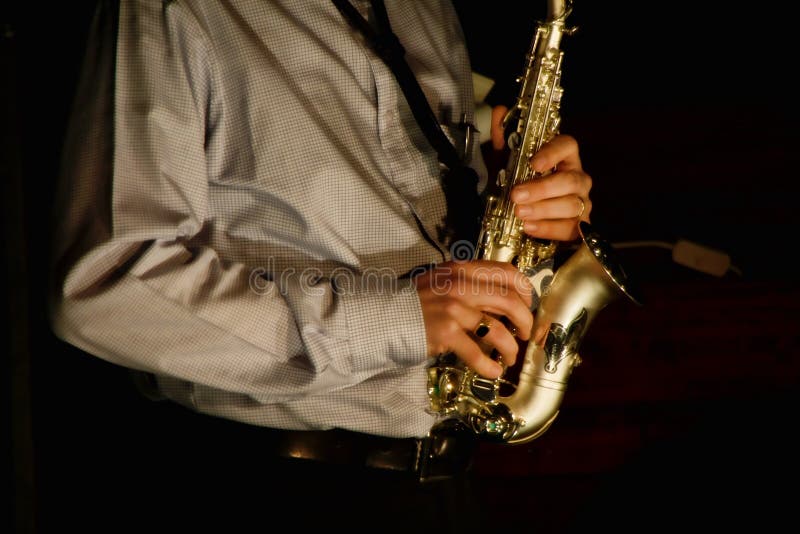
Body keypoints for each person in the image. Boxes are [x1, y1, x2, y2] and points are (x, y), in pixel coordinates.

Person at [47, 0, 592, 532]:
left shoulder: (429, 11)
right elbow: (108, 283)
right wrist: (396, 321)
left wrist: (534, 215)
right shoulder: (169, 8)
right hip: (267, 488)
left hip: (443, 485)